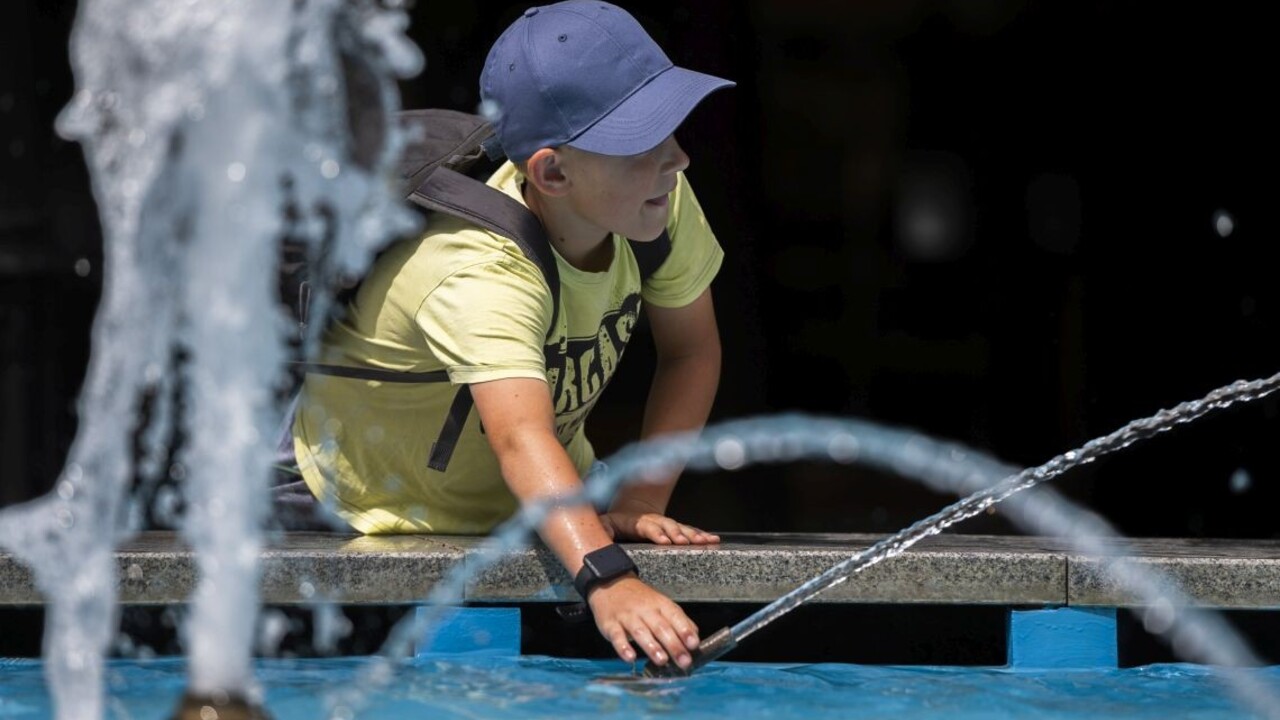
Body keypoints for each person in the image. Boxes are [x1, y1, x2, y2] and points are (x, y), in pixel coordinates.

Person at [289, 0, 733, 671]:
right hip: (360, 507)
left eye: (671, 127)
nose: (678, 158)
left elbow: (692, 352)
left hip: (529, 505)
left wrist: (639, 502)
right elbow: (520, 437)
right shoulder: (477, 270)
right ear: (552, 173)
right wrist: (609, 579)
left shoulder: (655, 199)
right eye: (641, 142)